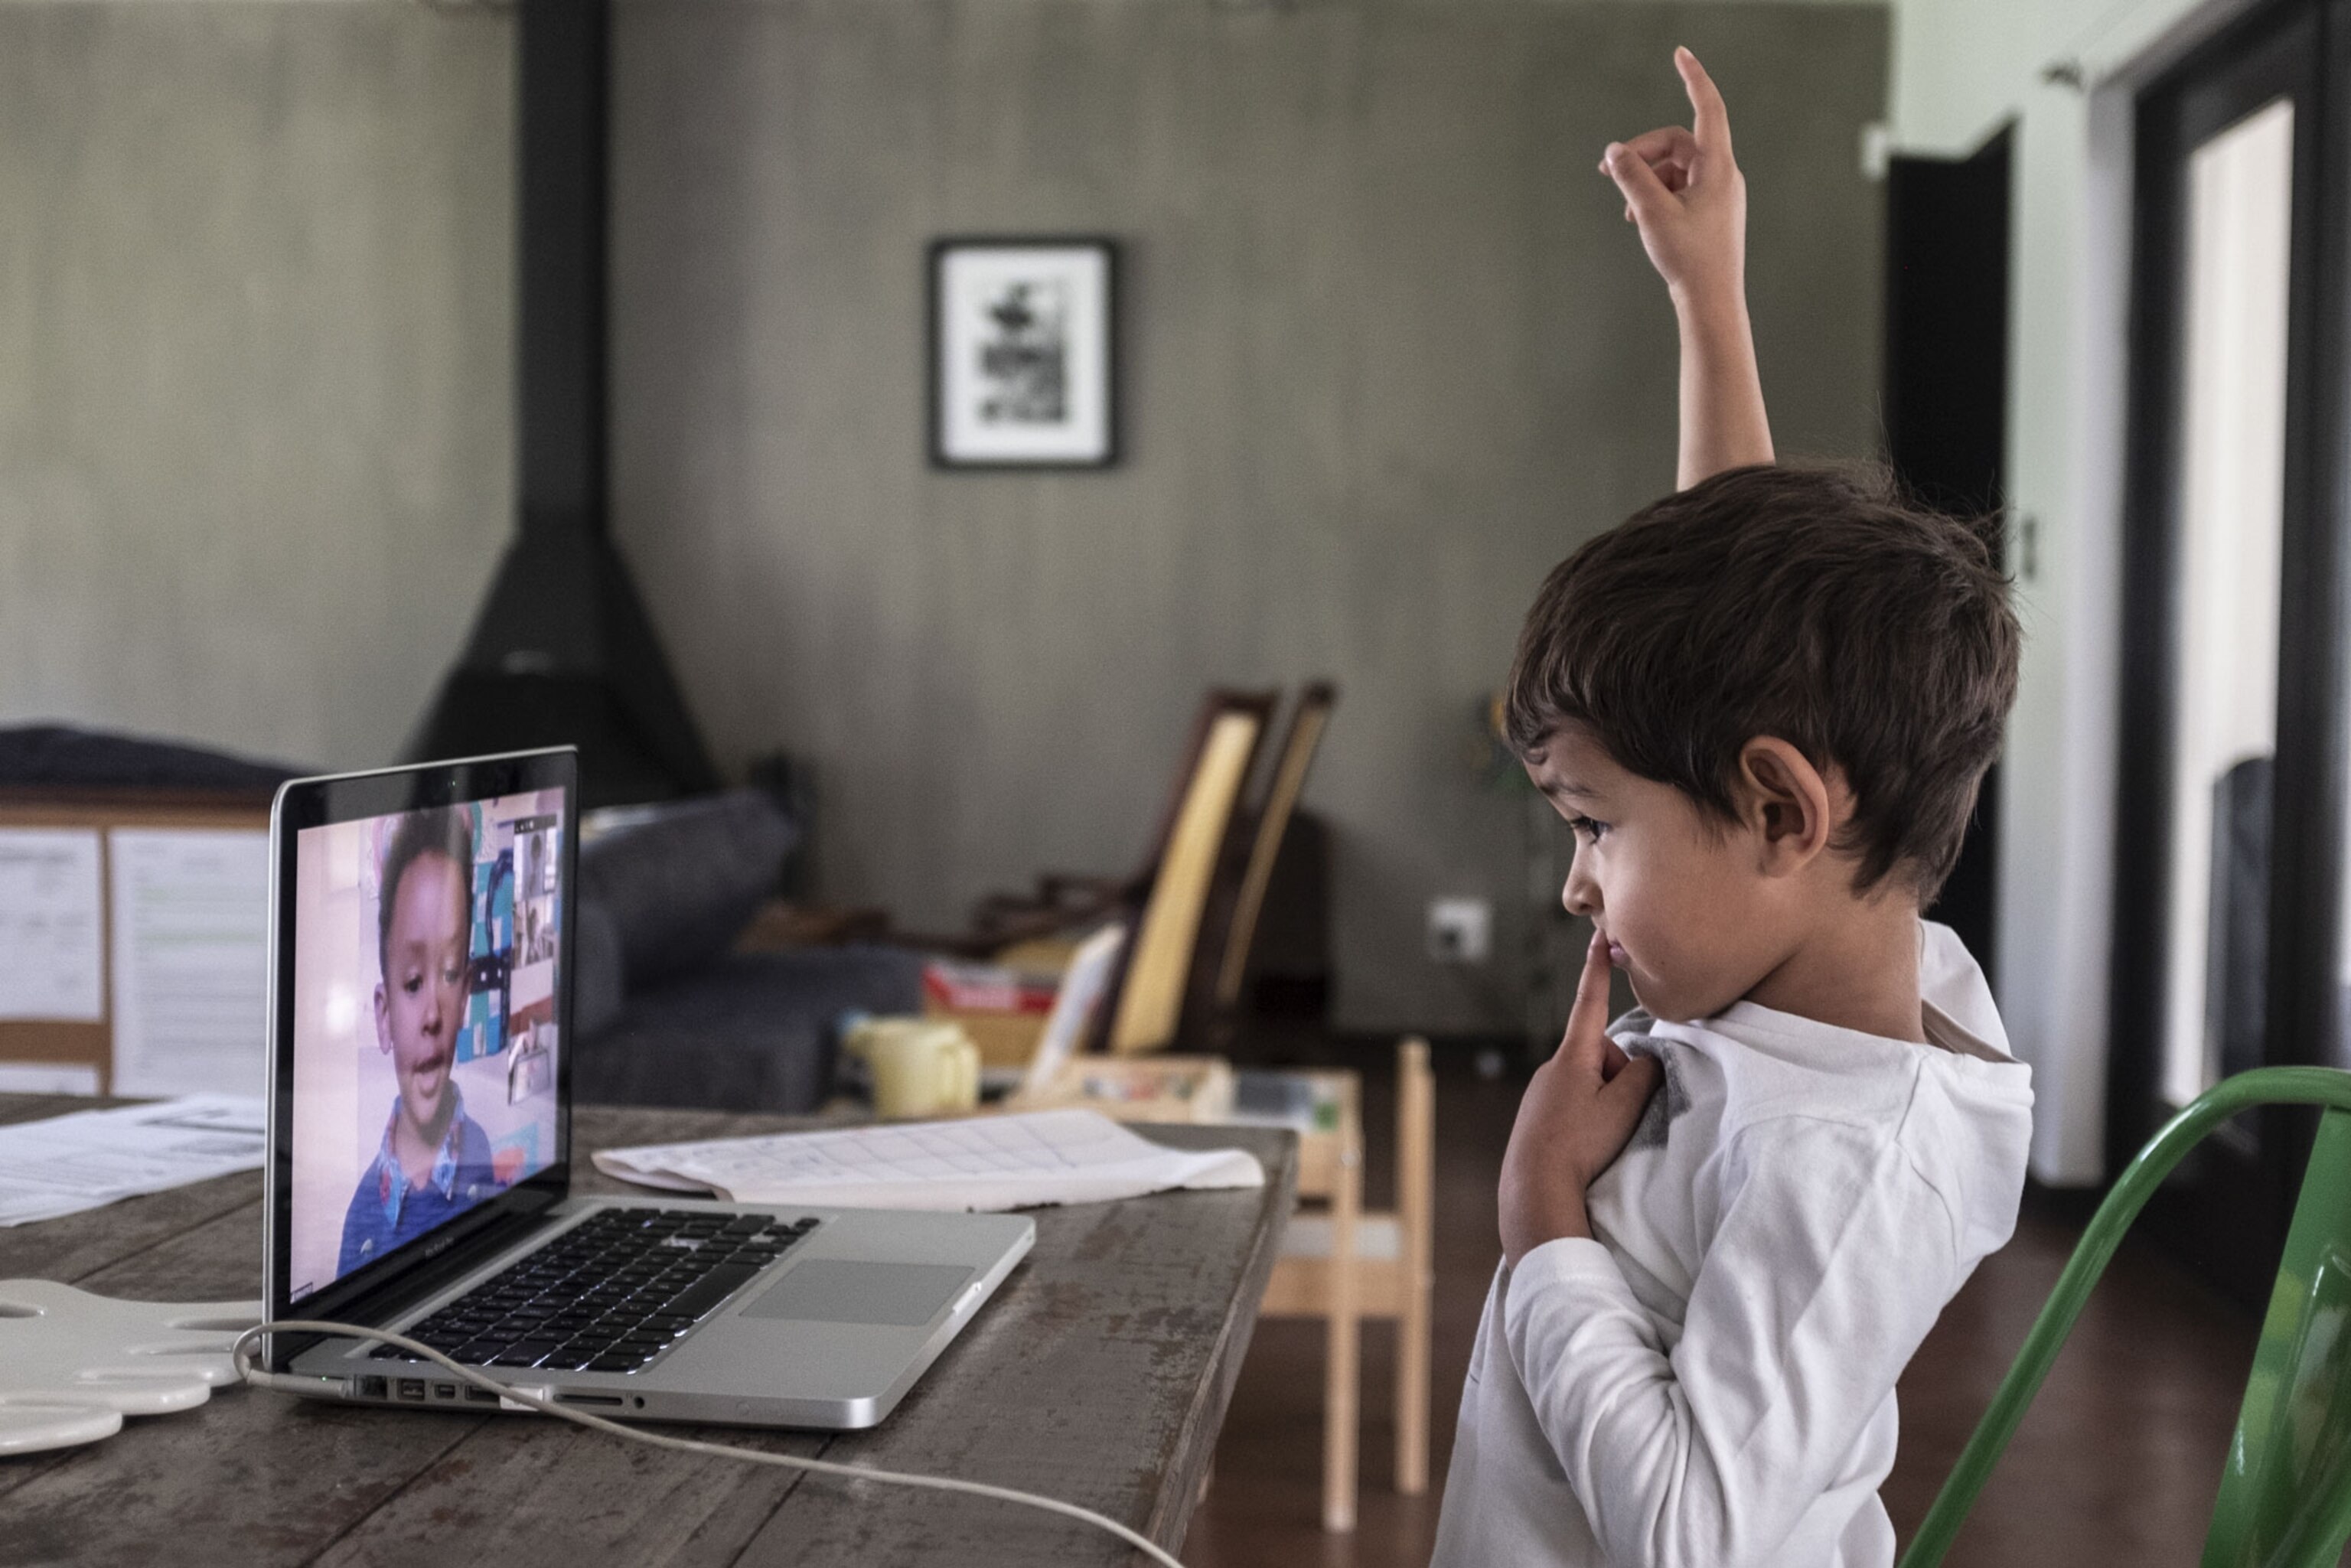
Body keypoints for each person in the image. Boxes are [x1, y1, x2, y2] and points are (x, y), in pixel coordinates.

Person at [1429, 49, 2033, 1568]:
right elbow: (1741, 639)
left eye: (1593, 824)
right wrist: (1708, 295)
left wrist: (1542, 1210)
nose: (1575, 883)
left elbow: (1692, 1537)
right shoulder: (1824, 951)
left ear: (1775, 813)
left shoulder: (1849, 1162)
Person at [337, 807, 505, 1277]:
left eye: (449, 975)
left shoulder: (484, 1163)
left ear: (466, 997)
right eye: (412, 983)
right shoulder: (361, 1216)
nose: (432, 1015)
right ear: (384, 1017)